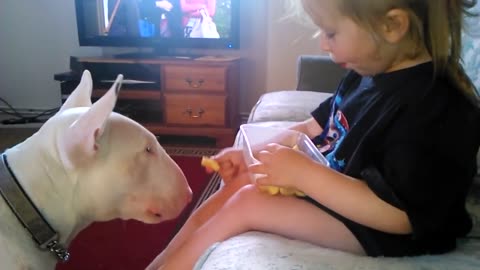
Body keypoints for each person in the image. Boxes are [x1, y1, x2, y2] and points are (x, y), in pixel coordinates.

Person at [146, 0, 480, 269]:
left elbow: (404, 216)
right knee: (242, 180)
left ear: (392, 26)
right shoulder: (366, 72)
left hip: (389, 229)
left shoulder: (434, 106)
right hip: (343, 195)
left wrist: (305, 175)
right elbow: (311, 128)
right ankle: (161, 263)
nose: (322, 43)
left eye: (331, 33)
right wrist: (250, 153)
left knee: (249, 202)